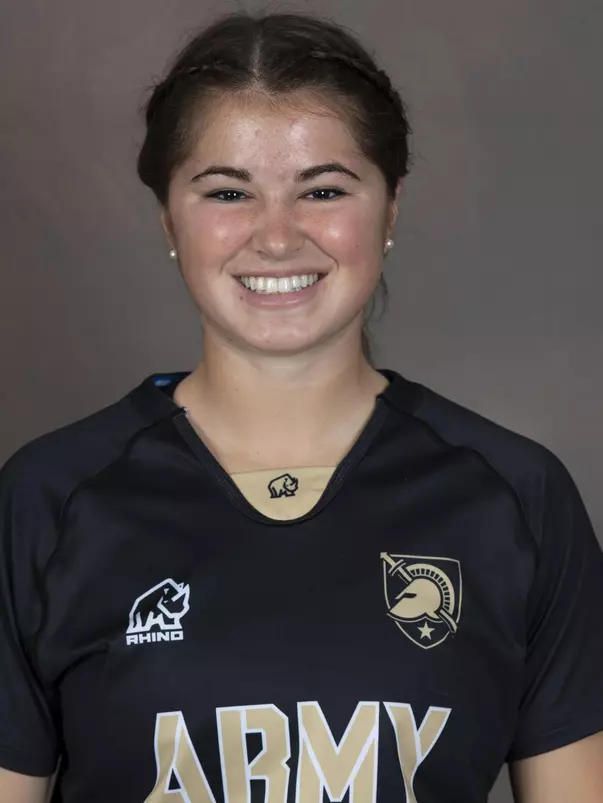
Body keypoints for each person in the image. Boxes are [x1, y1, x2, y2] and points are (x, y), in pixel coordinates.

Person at [1, 10, 602, 803]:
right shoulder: (48, 499)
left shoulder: (516, 498)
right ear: (168, 220)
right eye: (226, 191)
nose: (276, 237)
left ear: (388, 209)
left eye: (322, 189)